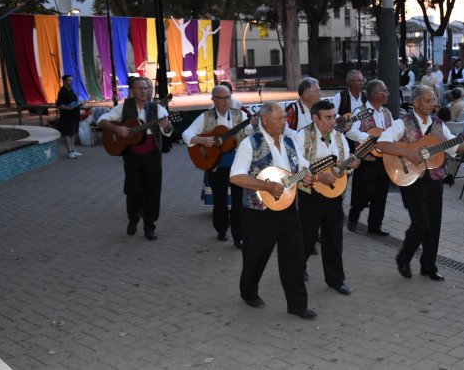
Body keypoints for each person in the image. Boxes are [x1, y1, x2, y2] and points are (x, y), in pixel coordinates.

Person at [376, 85, 464, 281]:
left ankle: (428, 265)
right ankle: (404, 257)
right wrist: (408, 153)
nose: (433, 104)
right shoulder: (402, 123)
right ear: (416, 102)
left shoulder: (439, 124)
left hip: (434, 178)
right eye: (428, 100)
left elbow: (454, 146)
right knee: (421, 223)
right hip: (410, 179)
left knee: (434, 224)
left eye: (434, 99)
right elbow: (382, 144)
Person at [229, 101, 317, 319]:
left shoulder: (290, 142)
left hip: (289, 208)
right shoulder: (250, 143)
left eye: (285, 118)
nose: (285, 121)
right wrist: (266, 186)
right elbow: (236, 176)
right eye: (280, 118)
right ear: (265, 120)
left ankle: (297, 305)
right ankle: (248, 291)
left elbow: (302, 165)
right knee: (256, 256)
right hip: (258, 211)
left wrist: (308, 175)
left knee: (294, 257)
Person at [296, 100, 360, 295]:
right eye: (328, 117)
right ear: (315, 118)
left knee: (334, 238)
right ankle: (298, 270)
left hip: (334, 195)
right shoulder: (302, 135)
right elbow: (297, 165)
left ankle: (335, 279)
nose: (333, 121)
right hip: (311, 194)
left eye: (334, 116)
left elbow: (344, 162)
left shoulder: (340, 137)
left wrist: (351, 164)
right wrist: (317, 176)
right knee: (306, 237)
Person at [97, 77, 173, 241]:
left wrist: (167, 127)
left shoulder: (157, 108)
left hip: (153, 155)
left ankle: (149, 227)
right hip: (132, 155)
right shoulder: (124, 107)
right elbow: (101, 120)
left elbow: (169, 129)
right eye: (140, 88)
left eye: (146, 88)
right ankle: (133, 218)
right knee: (133, 190)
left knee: (153, 191)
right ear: (132, 90)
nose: (144, 91)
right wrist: (116, 128)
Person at [182, 84, 255, 248]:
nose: (225, 101)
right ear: (213, 100)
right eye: (221, 98)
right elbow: (186, 134)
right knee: (220, 200)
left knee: (238, 202)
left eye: (228, 97)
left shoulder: (240, 115)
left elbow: (252, 133)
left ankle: (239, 237)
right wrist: (201, 140)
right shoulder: (206, 117)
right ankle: (221, 229)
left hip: (238, 165)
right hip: (216, 164)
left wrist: (255, 125)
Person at [346, 80, 393, 236]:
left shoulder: (387, 113)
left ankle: (375, 225)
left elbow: (392, 133)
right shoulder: (361, 111)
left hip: (384, 159)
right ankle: (353, 217)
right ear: (375, 95)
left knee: (381, 193)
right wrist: (370, 137)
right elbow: (350, 132)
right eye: (384, 91)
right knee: (365, 193)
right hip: (366, 160)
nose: (388, 94)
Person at [56, 75, 84, 159]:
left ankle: (73, 150)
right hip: (67, 116)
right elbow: (60, 105)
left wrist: (80, 103)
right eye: (69, 80)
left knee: (73, 133)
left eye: (71, 80)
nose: (71, 82)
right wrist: (68, 108)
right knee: (67, 133)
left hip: (74, 115)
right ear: (64, 81)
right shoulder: (62, 91)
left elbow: (74, 101)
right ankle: (69, 151)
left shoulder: (71, 90)